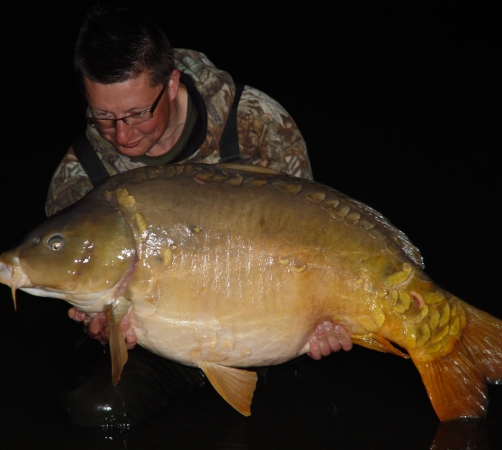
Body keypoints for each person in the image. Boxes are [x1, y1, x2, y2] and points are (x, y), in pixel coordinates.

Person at [47, 5, 352, 426]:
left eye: (138, 113)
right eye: (103, 116)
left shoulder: (257, 124)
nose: (122, 134)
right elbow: (87, 300)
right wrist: (101, 329)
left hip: (269, 327)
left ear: (171, 84)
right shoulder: (80, 178)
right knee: (97, 409)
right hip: (161, 342)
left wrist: (324, 318)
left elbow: (315, 237)